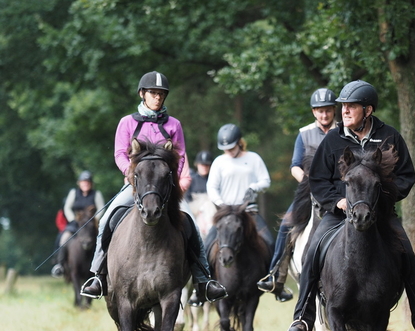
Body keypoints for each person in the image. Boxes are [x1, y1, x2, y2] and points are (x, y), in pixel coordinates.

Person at [285, 80, 415, 331]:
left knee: (407, 255)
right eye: (343, 107)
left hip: (380, 215)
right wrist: (339, 201)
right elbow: (319, 180)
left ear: (367, 110)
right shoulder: (333, 139)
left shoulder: (390, 137)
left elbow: (406, 176)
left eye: (351, 107)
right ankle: (302, 320)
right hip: (339, 214)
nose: (344, 111)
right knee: (312, 251)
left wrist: (378, 201)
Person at [80, 71, 227, 304]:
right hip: (136, 186)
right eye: (153, 93)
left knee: (191, 223)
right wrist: (129, 173)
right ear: (142, 94)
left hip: (166, 189)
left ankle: (203, 280)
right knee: (108, 217)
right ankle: (97, 275)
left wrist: (172, 183)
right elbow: (120, 152)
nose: (157, 98)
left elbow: (179, 157)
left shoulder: (173, 124)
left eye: (161, 94)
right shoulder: (127, 122)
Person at [257, 88, 337, 302]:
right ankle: (276, 276)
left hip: (339, 191)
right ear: (314, 112)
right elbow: (294, 166)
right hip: (310, 191)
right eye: (320, 111)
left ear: (333, 111)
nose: (324, 115)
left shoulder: (344, 132)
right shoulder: (304, 134)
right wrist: (309, 182)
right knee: (286, 225)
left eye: (328, 111)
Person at [187, 123, 273, 306]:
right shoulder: (219, 162)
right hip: (225, 214)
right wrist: (221, 204)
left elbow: (265, 180)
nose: (228, 151)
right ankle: (202, 287)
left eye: (231, 147)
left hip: (248, 212)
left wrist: (254, 187)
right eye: (225, 148)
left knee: (270, 242)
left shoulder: (253, 158)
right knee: (206, 244)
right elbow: (212, 187)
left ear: (239, 142)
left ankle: (272, 281)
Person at [51, 170, 105, 277]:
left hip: (91, 225)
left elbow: (101, 208)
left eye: (88, 182)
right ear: (79, 183)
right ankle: (60, 264)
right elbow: (67, 207)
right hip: (76, 224)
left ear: (91, 183)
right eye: (83, 182)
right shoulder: (73, 193)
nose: (85, 184)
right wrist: (72, 219)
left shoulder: (96, 194)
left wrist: (95, 219)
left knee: (104, 238)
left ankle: (104, 264)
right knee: (63, 237)